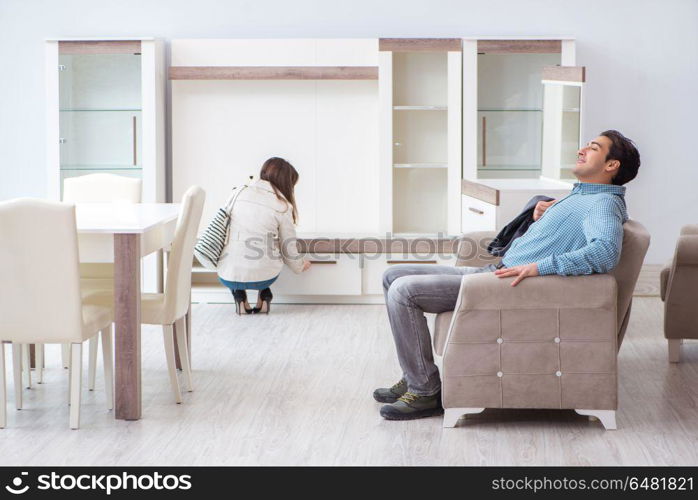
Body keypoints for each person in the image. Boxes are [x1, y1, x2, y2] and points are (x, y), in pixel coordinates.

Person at [375, 130, 641, 420]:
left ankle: (424, 391)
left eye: (593, 148)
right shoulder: (581, 195)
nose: (581, 150)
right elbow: (558, 237)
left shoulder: (603, 204)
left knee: (403, 292)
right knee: (393, 275)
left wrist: (540, 267)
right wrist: (539, 215)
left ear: (611, 165)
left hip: (503, 286)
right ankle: (416, 373)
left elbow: (604, 253)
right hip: (495, 272)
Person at [217, 157, 311, 315]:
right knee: (267, 251)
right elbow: (288, 247)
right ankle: (264, 295)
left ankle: (240, 297)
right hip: (264, 277)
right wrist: (300, 265)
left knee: (236, 253)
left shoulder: (237, 192)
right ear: (286, 183)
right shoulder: (283, 206)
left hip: (227, 275)